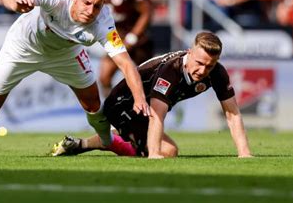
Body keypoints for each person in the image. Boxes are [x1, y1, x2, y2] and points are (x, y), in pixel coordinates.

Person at [0, 0, 149, 149]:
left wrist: (139, 99)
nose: (91, 10)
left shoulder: (104, 21)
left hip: (65, 55)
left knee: (93, 103)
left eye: (97, 6)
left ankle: (108, 142)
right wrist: (15, 4)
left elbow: (126, 64)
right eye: (87, 2)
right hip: (24, 46)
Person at [51, 32, 252, 159]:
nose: (203, 70)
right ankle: (117, 142)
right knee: (168, 152)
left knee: (150, 143)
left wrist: (244, 154)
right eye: (199, 63)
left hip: (143, 110)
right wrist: (154, 154)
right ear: (189, 53)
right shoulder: (171, 71)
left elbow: (232, 113)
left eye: (209, 65)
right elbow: (157, 114)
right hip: (122, 105)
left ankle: (78, 144)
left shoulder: (217, 72)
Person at [96, 0, 154, 96]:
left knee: (150, 79)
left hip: (138, 40)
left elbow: (146, 12)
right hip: (116, 38)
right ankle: (111, 111)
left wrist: (133, 37)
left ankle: (164, 108)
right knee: (104, 76)